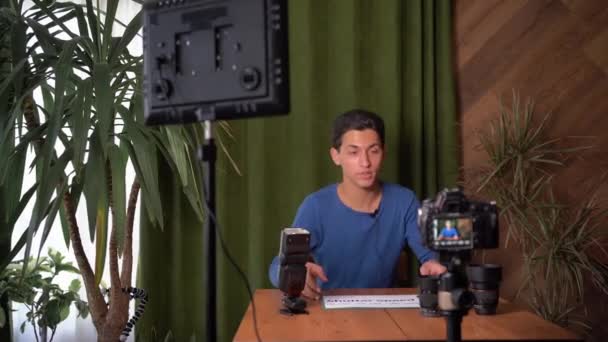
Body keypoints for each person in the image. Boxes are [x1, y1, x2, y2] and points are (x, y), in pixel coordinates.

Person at [268, 109, 446, 300]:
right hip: (328, 309)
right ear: (336, 156)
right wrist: (293, 275)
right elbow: (278, 265)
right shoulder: (316, 206)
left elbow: (429, 256)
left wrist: (434, 266)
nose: (365, 162)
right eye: (354, 152)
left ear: (383, 153)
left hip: (384, 309)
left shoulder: (404, 201)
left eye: (374, 151)